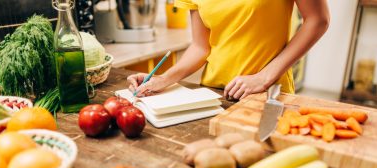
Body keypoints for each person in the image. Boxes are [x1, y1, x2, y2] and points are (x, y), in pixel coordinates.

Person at [127, 0, 330, 100]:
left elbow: (318, 20)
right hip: (213, 95)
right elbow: (200, 47)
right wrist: (164, 78)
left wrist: (263, 77)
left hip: (267, 93)